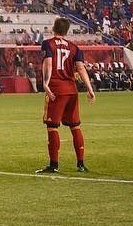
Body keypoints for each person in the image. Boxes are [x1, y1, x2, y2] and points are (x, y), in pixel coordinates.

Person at [37, 17, 95, 174]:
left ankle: (54, 165)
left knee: (52, 127)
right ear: (67, 30)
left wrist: (46, 83)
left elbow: (48, 63)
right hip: (72, 90)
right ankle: (81, 164)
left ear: (53, 28)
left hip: (56, 89)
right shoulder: (74, 47)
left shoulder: (48, 44)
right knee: (75, 125)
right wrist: (90, 88)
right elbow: (81, 69)